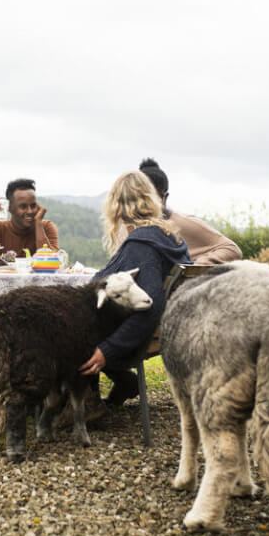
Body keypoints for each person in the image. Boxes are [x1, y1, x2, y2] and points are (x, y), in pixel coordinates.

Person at [79, 171, 191, 407]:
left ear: (115, 206)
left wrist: (107, 350)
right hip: (170, 325)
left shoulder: (142, 244)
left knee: (70, 325)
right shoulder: (169, 236)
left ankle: (85, 406)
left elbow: (150, 305)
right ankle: (121, 384)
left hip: (145, 331)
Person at [138, 158, 242, 265]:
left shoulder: (183, 224)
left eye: (153, 197)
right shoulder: (128, 227)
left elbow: (231, 249)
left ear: (165, 197)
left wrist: (196, 266)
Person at [0, 178, 59, 262]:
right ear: (10, 208)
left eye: (33, 206)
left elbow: (51, 261)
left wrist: (38, 224)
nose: (29, 211)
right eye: (23, 207)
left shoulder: (46, 227)